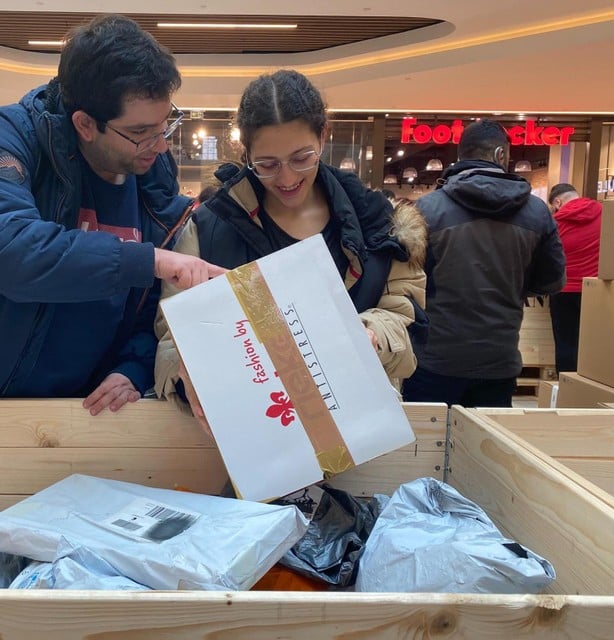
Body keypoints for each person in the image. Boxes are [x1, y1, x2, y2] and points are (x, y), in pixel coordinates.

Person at [0, 15, 223, 414]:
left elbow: (150, 304)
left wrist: (131, 368)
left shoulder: (152, 172)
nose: (160, 145)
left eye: (166, 125)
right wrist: (149, 259)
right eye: (140, 132)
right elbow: (10, 251)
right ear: (84, 123)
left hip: (74, 408)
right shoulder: (9, 136)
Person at [154, 69, 428, 431]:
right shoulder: (210, 228)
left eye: (302, 158)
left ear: (324, 136)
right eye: (267, 165)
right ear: (246, 152)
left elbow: (407, 324)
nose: (286, 178)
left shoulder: (378, 225)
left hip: (359, 430)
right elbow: (170, 334)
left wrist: (369, 334)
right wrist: (186, 373)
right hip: (249, 432)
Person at [401, 119, 566, 407]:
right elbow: (551, 281)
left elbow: (408, 283)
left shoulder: (429, 209)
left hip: (436, 357)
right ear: (502, 155)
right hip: (499, 359)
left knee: (427, 447)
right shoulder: (537, 213)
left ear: (460, 156)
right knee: (485, 449)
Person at [547, 183, 602, 372]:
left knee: (566, 342)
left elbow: (547, 256)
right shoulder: (603, 214)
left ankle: (566, 385)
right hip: (598, 290)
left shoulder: (555, 222)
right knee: (594, 341)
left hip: (564, 290)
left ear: (557, 201)